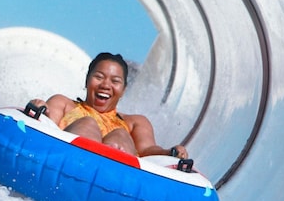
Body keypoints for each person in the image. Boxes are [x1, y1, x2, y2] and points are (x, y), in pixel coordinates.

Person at [28, 52, 188, 159]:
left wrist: (169, 152)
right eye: (99, 77)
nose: (105, 85)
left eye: (115, 81)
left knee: (120, 135)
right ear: (86, 81)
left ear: (123, 90)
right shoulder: (63, 104)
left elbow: (147, 151)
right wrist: (39, 109)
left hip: (114, 179)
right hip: (66, 162)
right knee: (87, 123)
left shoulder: (134, 123)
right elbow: (47, 127)